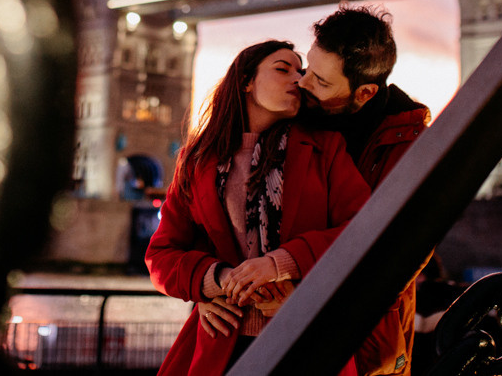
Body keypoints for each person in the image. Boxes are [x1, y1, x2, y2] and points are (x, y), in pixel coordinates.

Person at [146, 40, 370, 375]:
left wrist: (281, 265)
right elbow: (162, 254)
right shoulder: (197, 160)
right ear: (246, 81)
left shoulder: (326, 149)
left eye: (302, 71)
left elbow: (364, 230)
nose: (299, 79)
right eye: (283, 69)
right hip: (222, 341)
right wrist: (214, 281)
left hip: (306, 337)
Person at [299, 4, 432, 375]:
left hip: (364, 339)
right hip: (281, 324)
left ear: (366, 92)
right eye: (309, 68)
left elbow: (402, 254)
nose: (304, 83)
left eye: (322, 81)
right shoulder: (294, 119)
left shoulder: (411, 147)